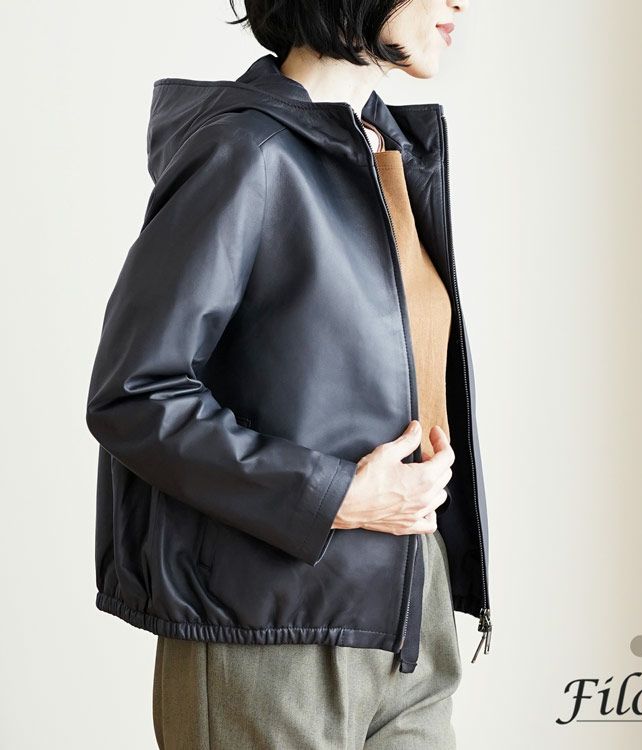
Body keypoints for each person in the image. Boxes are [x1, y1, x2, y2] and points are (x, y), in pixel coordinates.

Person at [85, 0, 491, 747]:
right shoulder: (246, 150)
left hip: (410, 613)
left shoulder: (388, 151)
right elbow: (135, 394)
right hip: (272, 629)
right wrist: (335, 495)